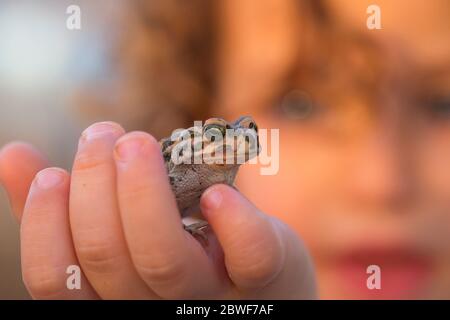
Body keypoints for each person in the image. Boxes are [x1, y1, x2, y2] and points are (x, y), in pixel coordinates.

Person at [0, 0, 449, 299]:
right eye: (302, 104)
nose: (382, 182)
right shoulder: (181, 162)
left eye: (442, 103)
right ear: (194, 104)